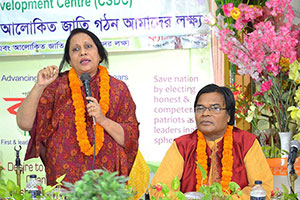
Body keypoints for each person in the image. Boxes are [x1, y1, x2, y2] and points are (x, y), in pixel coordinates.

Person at [16, 28, 140, 186]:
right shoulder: (56, 87)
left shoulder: (118, 89)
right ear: (69, 60)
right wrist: (39, 86)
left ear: (100, 55)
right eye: (75, 49)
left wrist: (102, 119)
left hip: (106, 187)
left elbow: (130, 139)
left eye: (88, 47)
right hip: (64, 184)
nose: (83, 52)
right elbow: (24, 124)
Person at [149, 83, 273, 199]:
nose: (206, 113)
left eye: (215, 108)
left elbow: (264, 188)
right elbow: (159, 189)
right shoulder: (182, 145)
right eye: (200, 108)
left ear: (229, 115)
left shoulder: (246, 143)